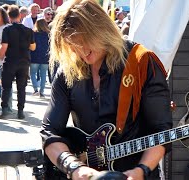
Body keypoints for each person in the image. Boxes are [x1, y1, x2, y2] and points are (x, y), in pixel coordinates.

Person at [40, 0, 172, 180]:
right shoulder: (67, 71)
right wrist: (74, 168)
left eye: (83, 41)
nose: (80, 51)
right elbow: (50, 131)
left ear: (100, 29)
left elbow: (160, 131)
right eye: (72, 45)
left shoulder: (141, 62)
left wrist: (141, 170)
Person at [0, 5, 35, 119]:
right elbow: (33, 47)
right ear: (20, 16)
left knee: (6, 87)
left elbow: (4, 47)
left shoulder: (7, 29)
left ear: (9, 16)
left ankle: (4, 110)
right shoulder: (28, 30)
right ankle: (20, 112)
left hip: (10, 61)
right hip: (24, 62)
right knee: (21, 88)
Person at [30, 19, 50, 98]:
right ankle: (42, 92)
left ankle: (35, 89)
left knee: (32, 73)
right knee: (43, 74)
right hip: (45, 57)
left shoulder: (33, 34)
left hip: (34, 56)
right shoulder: (49, 34)